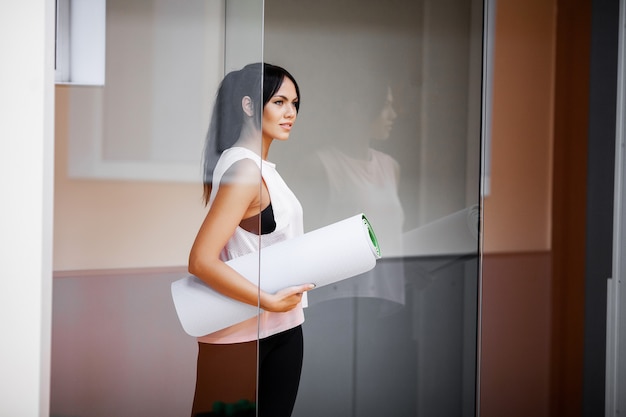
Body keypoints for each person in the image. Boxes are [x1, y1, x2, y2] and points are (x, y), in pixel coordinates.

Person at [188, 63, 314, 417]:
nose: (290, 112)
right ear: (248, 106)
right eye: (279, 101)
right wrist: (269, 302)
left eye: (295, 103)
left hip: (283, 326)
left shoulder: (259, 169)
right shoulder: (243, 170)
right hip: (243, 332)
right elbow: (201, 260)